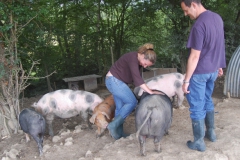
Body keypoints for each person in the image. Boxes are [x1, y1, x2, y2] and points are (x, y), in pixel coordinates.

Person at [180, 0, 226, 152]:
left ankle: (199, 142)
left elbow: (194, 57)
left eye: (186, 10)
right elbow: (218, 44)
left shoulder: (199, 25)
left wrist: (186, 80)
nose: (186, 14)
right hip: (213, 71)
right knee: (207, 100)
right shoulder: (217, 18)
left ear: (193, 4)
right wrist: (219, 64)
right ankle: (211, 133)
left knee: (196, 106)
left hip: (199, 73)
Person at [105, 43, 161, 140]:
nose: (145, 66)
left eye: (147, 66)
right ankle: (112, 125)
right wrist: (150, 91)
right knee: (132, 102)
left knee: (120, 108)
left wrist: (147, 89)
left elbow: (136, 79)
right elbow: (137, 79)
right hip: (114, 81)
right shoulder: (132, 58)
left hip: (116, 81)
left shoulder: (137, 61)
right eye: (146, 63)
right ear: (143, 56)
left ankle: (118, 133)